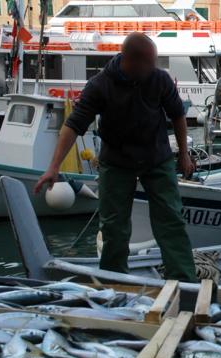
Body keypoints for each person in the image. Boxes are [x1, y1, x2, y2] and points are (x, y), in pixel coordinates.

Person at [33, 33, 197, 282]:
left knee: (171, 220)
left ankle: (184, 281)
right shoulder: (100, 85)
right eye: (150, 63)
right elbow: (73, 125)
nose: (154, 68)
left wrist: (184, 155)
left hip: (156, 158)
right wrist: (53, 167)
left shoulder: (159, 79)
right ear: (131, 61)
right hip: (117, 162)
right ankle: (114, 281)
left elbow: (178, 116)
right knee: (113, 226)